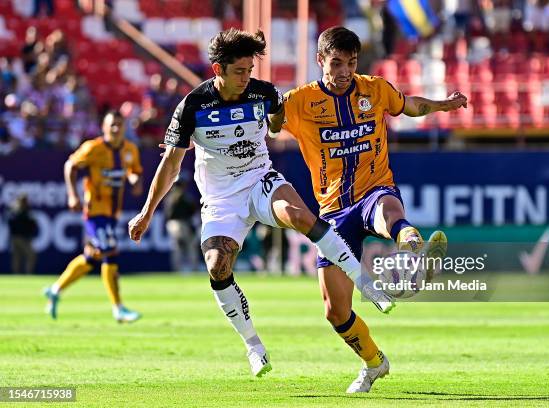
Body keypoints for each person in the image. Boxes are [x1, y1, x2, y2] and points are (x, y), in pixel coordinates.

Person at [128, 28, 393, 378]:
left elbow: (276, 123)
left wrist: (275, 120)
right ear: (217, 70)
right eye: (239, 71)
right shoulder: (192, 106)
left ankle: (365, 282)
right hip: (221, 199)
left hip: (259, 181)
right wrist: (147, 213)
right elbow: (172, 164)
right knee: (217, 266)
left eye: (250, 70)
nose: (246, 78)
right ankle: (254, 345)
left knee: (299, 216)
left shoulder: (264, 93)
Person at [281, 26, 468, 393]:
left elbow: (409, 106)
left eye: (351, 62)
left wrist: (442, 105)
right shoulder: (299, 101)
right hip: (333, 211)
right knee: (335, 312)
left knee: (390, 214)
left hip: (373, 189)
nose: (345, 71)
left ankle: (417, 253)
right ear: (321, 60)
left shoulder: (375, 88)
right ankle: (373, 363)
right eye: (336, 63)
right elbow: (267, 124)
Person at [44, 111, 144, 323]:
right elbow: (70, 165)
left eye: (119, 124)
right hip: (95, 210)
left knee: (92, 256)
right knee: (110, 252)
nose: (116, 129)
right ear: (103, 127)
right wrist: (72, 195)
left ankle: (55, 290)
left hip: (112, 213)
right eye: (112, 125)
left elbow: (134, 171)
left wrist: (135, 180)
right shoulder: (93, 148)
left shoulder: (130, 150)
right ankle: (118, 309)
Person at [164, 172, 199, 273]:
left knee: (180, 246)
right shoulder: (178, 196)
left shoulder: (174, 196)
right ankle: (190, 268)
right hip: (178, 223)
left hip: (176, 224)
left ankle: (184, 268)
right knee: (184, 246)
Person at [7, 194, 38, 274]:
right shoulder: (17, 210)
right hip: (19, 237)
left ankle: (18, 274)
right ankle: (27, 273)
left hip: (21, 237)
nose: (26, 202)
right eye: (24, 200)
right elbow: (13, 222)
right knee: (29, 255)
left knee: (17, 257)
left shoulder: (24, 210)